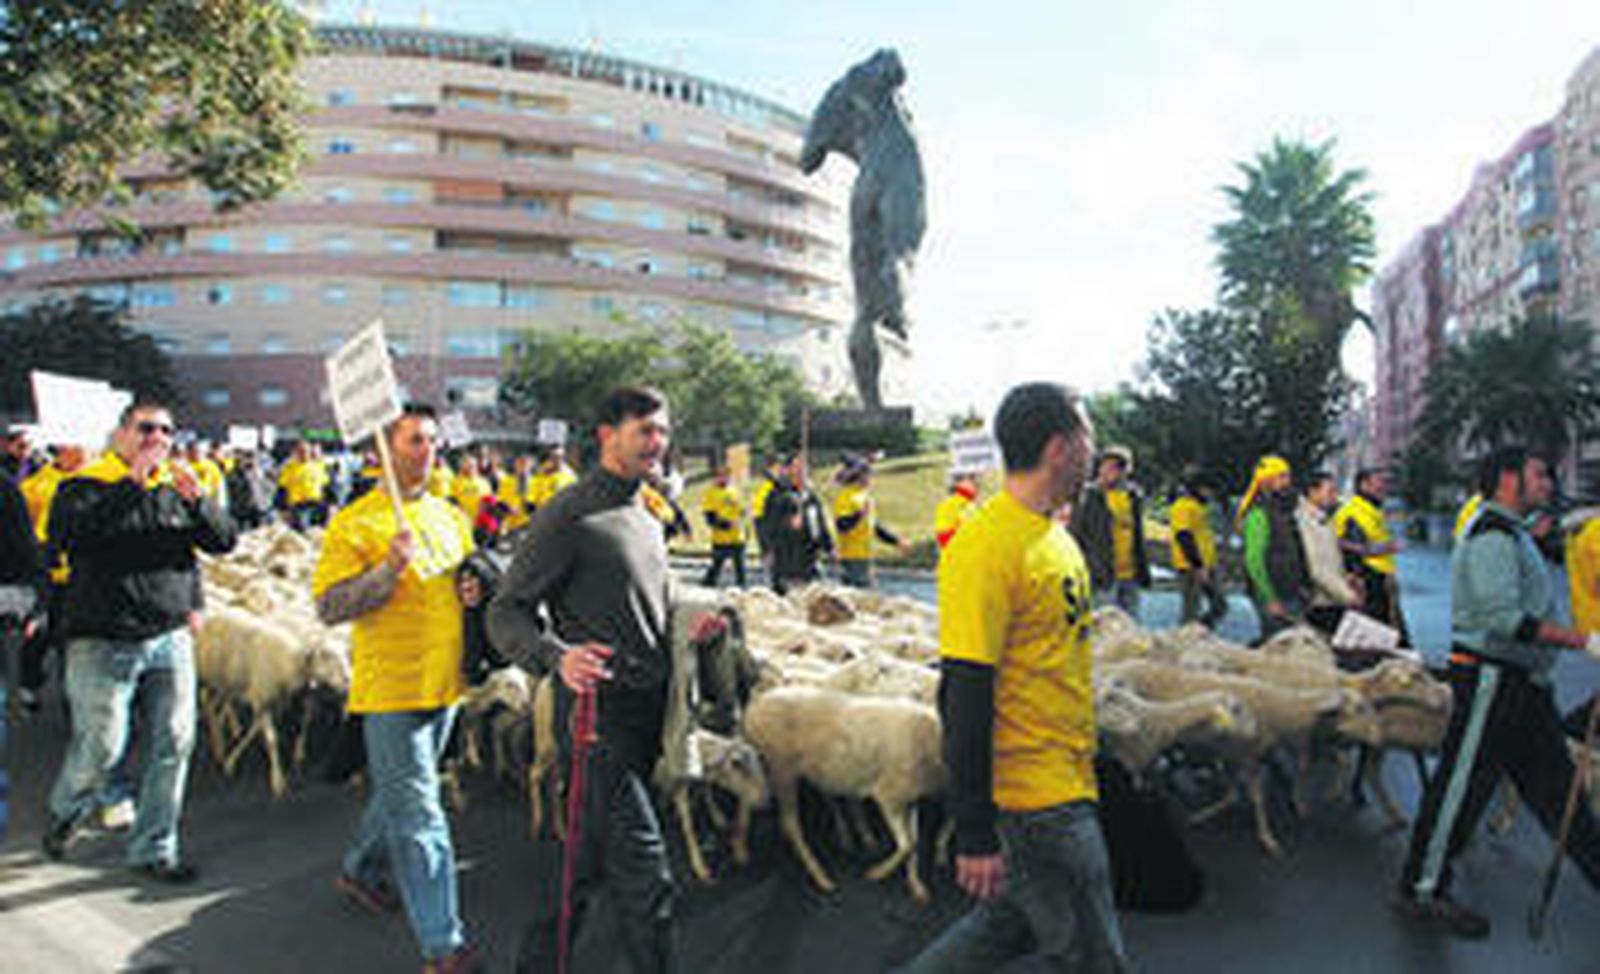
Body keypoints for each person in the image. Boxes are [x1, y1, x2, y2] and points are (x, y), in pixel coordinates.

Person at [894, 382, 1129, 973]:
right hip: (1037, 799)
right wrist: (972, 828)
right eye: (1087, 439)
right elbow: (964, 690)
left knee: (1007, 924)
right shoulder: (984, 547)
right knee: (1096, 958)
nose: (1094, 453)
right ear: (1059, 448)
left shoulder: (1054, 538)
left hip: (1069, 775)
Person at [489, 386, 681, 974]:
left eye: (663, 431)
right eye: (645, 430)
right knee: (647, 872)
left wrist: (694, 626)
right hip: (600, 721)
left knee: (587, 861)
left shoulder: (646, 512)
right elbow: (505, 611)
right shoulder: (569, 512)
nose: (658, 442)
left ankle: (538, 962)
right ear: (606, 435)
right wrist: (555, 655)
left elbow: (647, 606)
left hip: (650, 713)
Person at [1396, 446, 1600, 939]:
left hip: (1523, 687)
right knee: (1460, 791)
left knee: (1558, 790)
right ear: (1509, 479)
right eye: (1540, 474)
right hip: (1491, 681)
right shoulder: (1490, 534)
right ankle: (1422, 890)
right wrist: (1585, 641)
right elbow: (1503, 620)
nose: (1549, 483)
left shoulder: (1511, 533)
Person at [311, 403, 479, 973]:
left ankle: (359, 869)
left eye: (432, 440)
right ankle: (443, 947)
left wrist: (473, 593)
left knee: (404, 793)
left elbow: (461, 586)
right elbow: (329, 606)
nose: (427, 449)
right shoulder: (354, 521)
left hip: (446, 683)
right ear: (381, 450)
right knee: (422, 814)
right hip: (392, 688)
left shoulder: (450, 515)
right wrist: (386, 570)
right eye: (413, 440)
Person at [41, 400, 237, 882]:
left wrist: (199, 504)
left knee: (174, 742)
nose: (158, 438)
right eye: (146, 429)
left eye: (167, 431)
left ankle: (154, 847)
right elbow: (75, 537)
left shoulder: (176, 489)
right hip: (103, 639)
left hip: (168, 638)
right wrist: (132, 481)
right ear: (121, 434)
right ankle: (67, 810)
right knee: (103, 747)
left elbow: (220, 542)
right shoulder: (83, 486)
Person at [1070, 447, 1150, 617]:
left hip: (1131, 574)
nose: (1104, 472)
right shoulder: (1088, 495)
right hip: (1103, 574)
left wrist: (1143, 569)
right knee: (1104, 628)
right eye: (1102, 466)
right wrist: (1089, 566)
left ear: (1124, 471)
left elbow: (1139, 535)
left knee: (1131, 627)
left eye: (1111, 467)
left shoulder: (1134, 496)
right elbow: (1075, 534)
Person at [1238, 455, 1310, 641]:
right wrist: (1269, 597)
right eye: (1281, 477)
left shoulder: (1284, 512)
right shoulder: (1258, 514)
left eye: (1287, 476)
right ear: (1266, 481)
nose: (1288, 482)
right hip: (1273, 592)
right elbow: (1253, 560)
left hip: (1291, 589)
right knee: (1279, 644)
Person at [1336, 467, 1410, 644]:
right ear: (1363, 485)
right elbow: (1350, 550)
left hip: (1379, 580)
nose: (1384, 488)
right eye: (1379, 483)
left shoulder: (1370, 510)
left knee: (1385, 633)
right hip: (1369, 583)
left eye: (1385, 483)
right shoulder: (1354, 513)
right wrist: (1358, 578)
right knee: (1379, 634)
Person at [1296, 472, 1362, 637]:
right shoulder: (1306, 522)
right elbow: (1317, 569)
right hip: (1320, 602)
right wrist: (1348, 596)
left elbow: (1330, 560)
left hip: (1333, 599)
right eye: (1330, 491)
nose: (1335, 496)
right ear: (1312, 492)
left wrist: (1346, 579)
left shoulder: (1323, 519)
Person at [760, 454, 834, 594]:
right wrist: (788, 524)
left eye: (804, 469)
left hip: (809, 557)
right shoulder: (778, 495)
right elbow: (768, 526)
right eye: (796, 468)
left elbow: (819, 523)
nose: (801, 473)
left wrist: (829, 546)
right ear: (787, 470)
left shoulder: (810, 496)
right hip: (787, 557)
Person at [832, 457, 910, 588]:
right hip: (852, 556)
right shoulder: (845, 497)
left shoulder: (864, 496)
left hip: (865, 556)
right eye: (869, 476)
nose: (871, 479)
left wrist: (896, 541)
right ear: (860, 477)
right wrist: (858, 515)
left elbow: (874, 526)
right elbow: (842, 526)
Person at [1169, 471, 1227, 628]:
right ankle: (1185, 642)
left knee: (1220, 605)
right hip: (1190, 566)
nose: (1210, 494)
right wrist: (1198, 565)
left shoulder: (1199, 507)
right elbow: (1183, 536)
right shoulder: (1182, 506)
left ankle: (1201, 633)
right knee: (1191, 612)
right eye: (1208, 489)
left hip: (1207, 564)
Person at [700, 464, 747, 587]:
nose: (723, 479)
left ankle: (742, 588)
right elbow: (710, 517)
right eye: (719, 476)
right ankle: (707, 585)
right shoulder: (710, 493)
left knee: (740, 567)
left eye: (726, 476)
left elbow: (741, 510)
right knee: (717, 565)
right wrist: (724, 524)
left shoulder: (734, 491)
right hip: (720, 538)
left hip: (737, 537)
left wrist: (743, 518)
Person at [279, 442, 329, 532]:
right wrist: (283, 508)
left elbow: (325, 486)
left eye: (306, 451)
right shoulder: (289, 468)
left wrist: (330, 505)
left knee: (319, 532)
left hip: (317, 504)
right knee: (303, 531)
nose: (304, 454)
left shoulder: (318, 466)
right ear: (296, 453)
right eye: (301, 451)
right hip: (299, 506)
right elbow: (282, 488)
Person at [934, 472, 979, 550]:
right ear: (958, 483)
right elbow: (944, 538)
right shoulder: (953, 505)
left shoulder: (967, 504)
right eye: (971, 478)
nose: (976, 482)